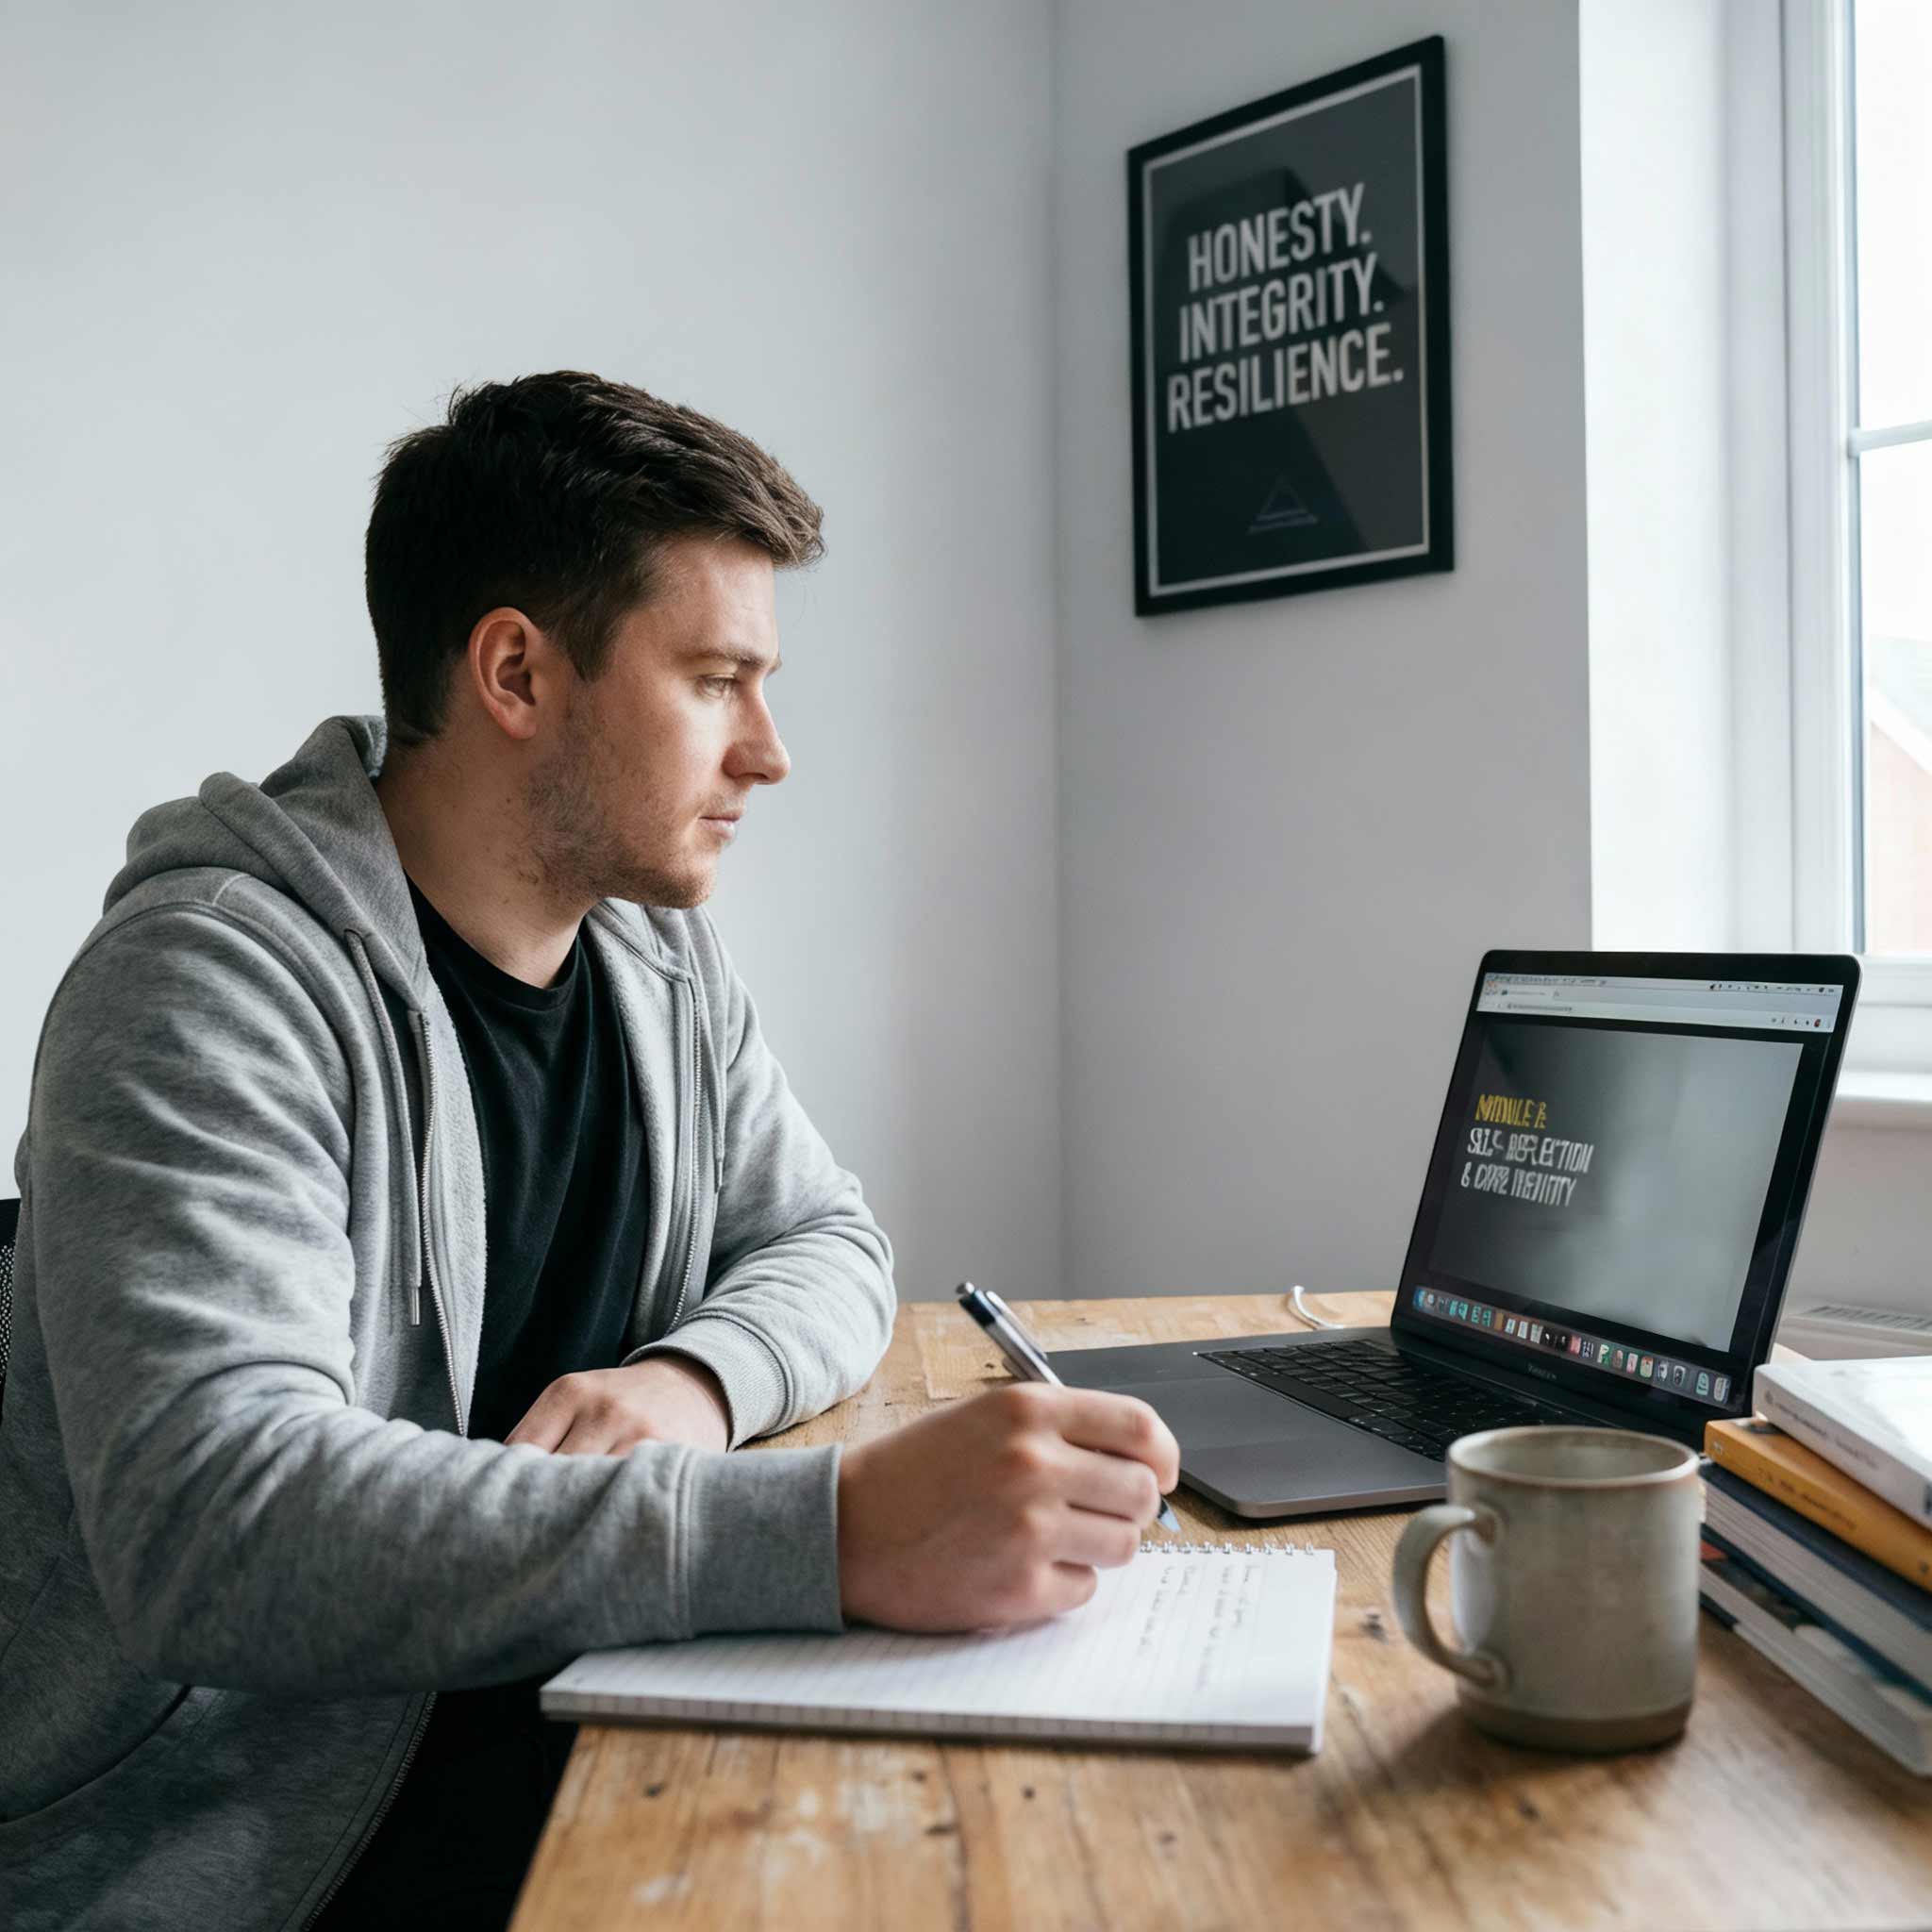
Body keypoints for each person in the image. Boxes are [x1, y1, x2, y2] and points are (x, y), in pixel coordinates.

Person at [0, 372, 1179, 1931]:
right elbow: (216, 1520)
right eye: (716, 679)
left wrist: (694, 1383)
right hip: (256, 1849)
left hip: (575, 1723)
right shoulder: (206, 987)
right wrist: (834, 1533)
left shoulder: (652, 962)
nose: (768, 751)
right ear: (515, 673)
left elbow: (828, 1240)